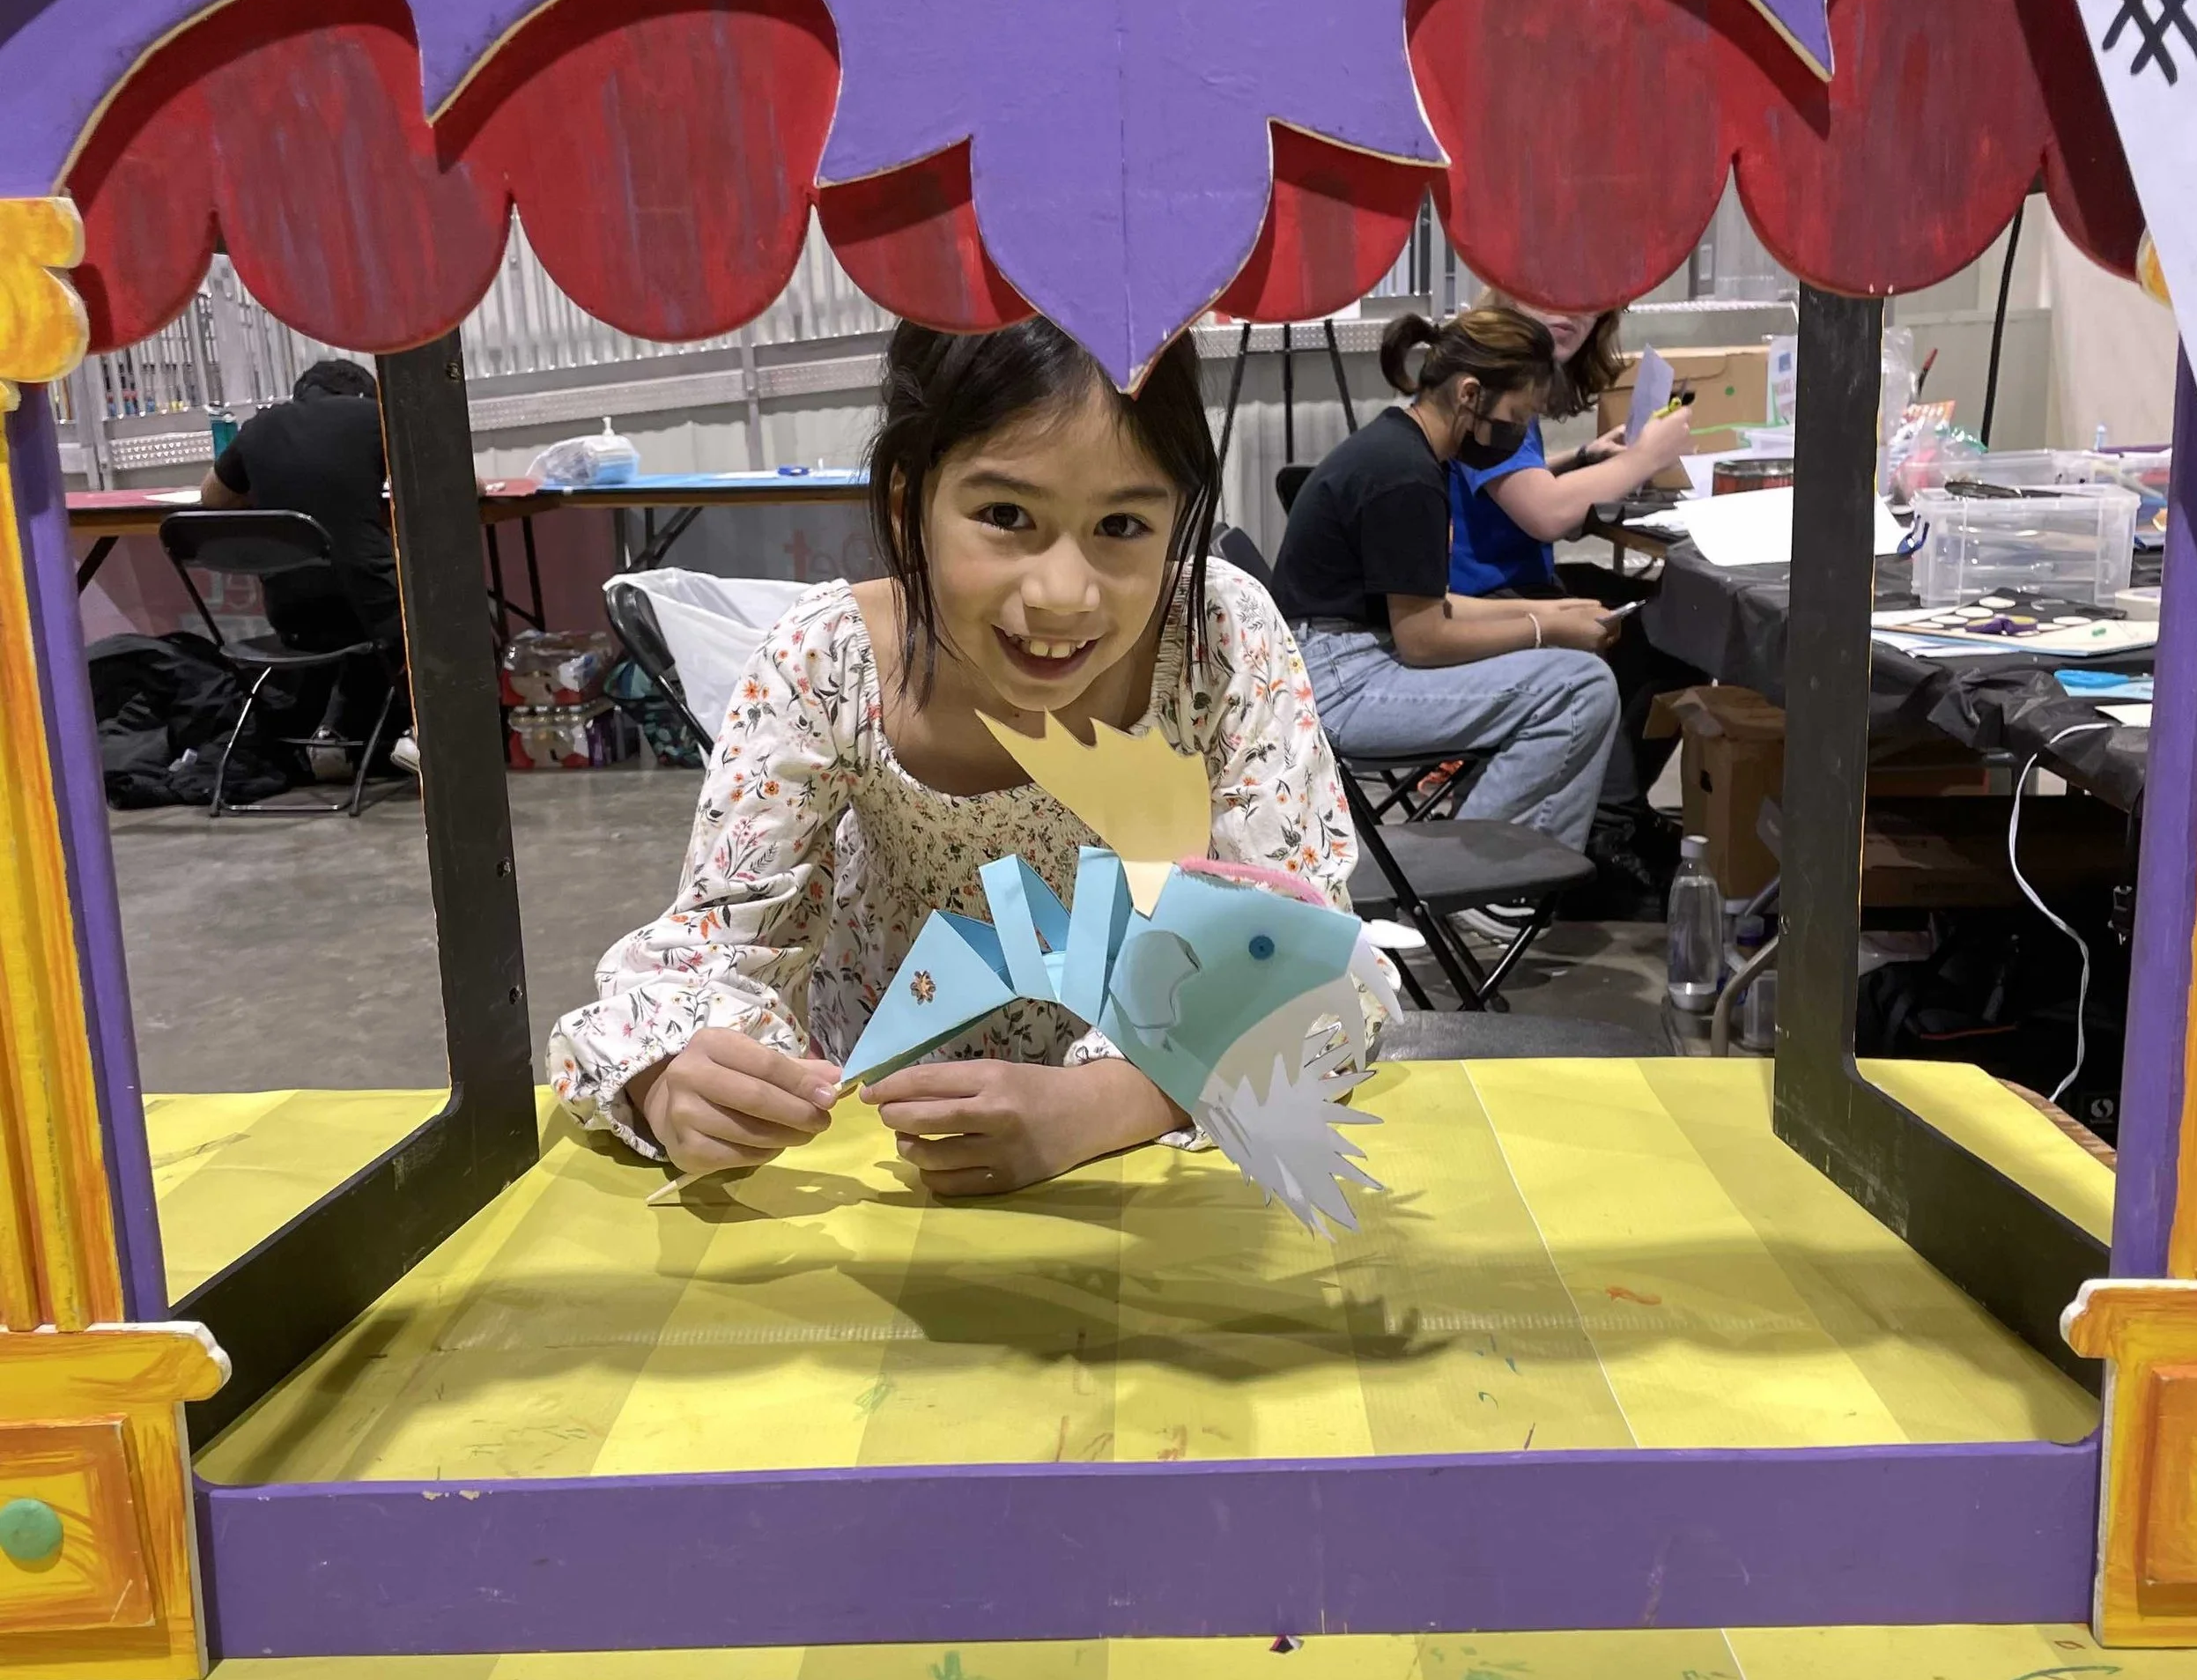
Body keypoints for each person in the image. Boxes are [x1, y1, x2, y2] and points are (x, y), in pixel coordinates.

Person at [547, 318, 1381, 1197]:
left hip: (1169, 1157)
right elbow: (711, 945)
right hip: (879, 1149)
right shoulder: (828, 663)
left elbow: (1307, 958)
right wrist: (677, 1078)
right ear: (910, 505)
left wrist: (1115, 1099)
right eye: (1005, 515)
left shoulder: (1218, 638)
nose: (1064, 592)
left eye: (1123, 523)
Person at [1269, 307, 1621, 852]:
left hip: (1339, 658)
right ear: (1469, 394)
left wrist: (1556, 615)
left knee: (1575, 669)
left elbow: (1432, 603)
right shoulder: (1405, 476)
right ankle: (1488, 876)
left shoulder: (1405, 450)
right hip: (1341, 682)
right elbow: (1424, 639)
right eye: (1517, 414)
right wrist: (1545, 632)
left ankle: (1483, 857)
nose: (1520, 430)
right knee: (1580, 687)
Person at [1447, 298, 1703, 908]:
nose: (1571, 313)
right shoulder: (1492, 384)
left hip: (1500, 581)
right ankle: (1606, 837)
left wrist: (1584, 459)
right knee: (1649, 632)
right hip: (1484, 599)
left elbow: (1520, 479)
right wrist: (1644, 458)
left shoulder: (1502, 375)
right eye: (1550, 293)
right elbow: (1544, 513)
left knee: (1670, 618)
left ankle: (1612, 816)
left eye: (1590, 304)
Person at [196, 358, 414, 771]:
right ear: (365, 394)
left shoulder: (260, 426)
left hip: (293, 620)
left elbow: (213, 499)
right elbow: (447, 481)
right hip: (373, 614)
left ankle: (333, 737)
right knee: (440, 603)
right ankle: (418, 736)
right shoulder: (376, 417)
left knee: (359, 611)